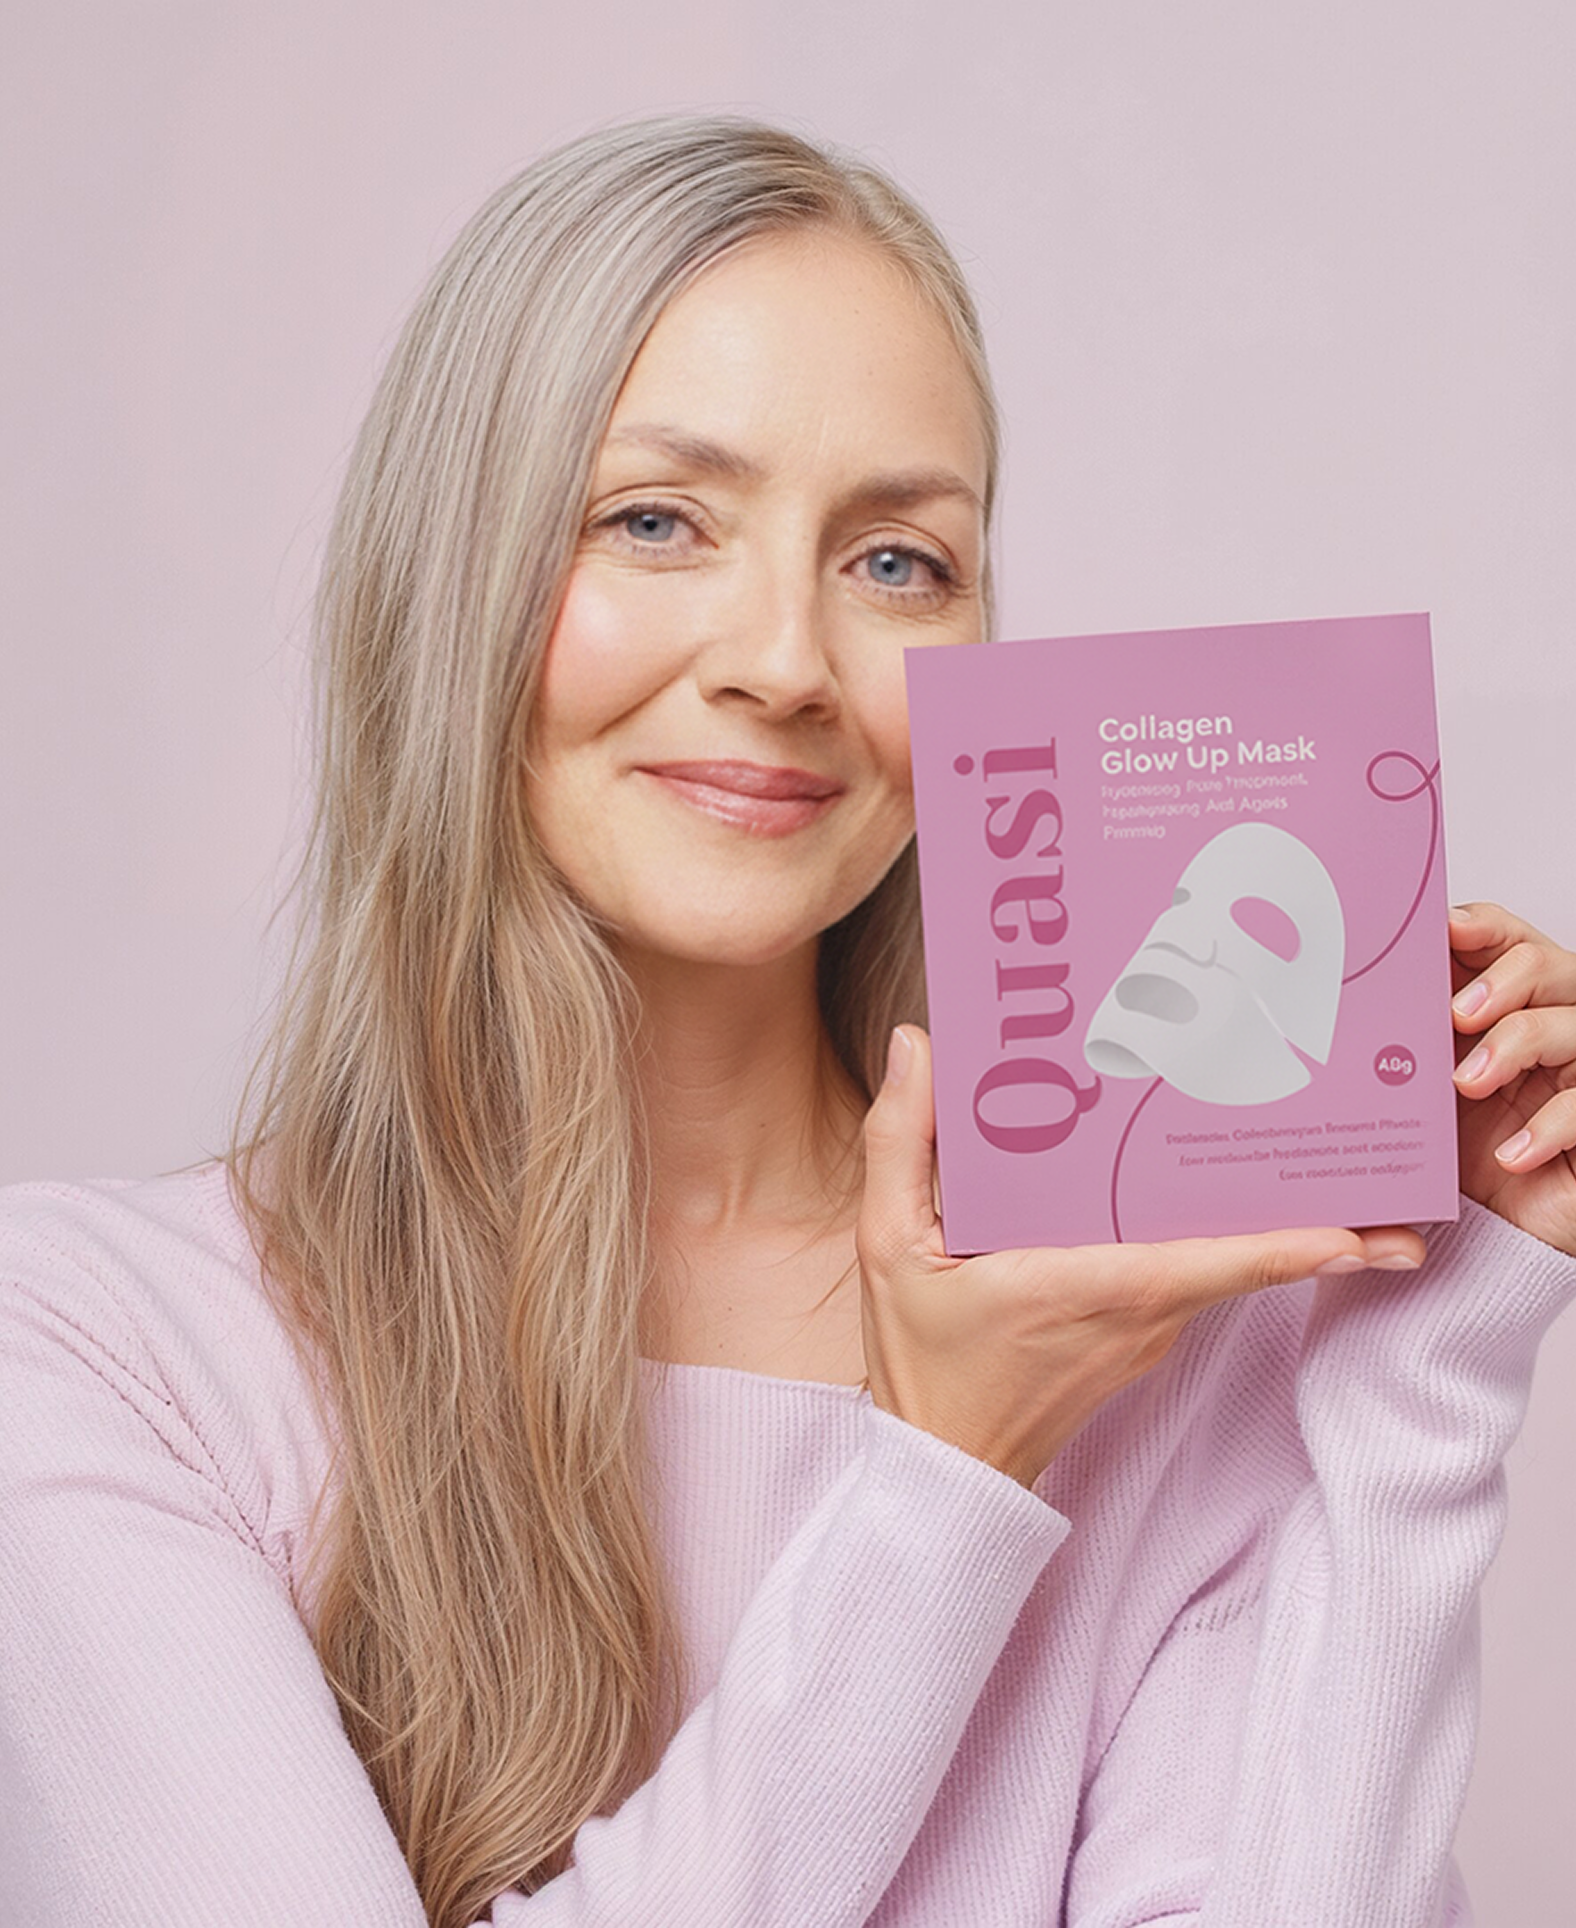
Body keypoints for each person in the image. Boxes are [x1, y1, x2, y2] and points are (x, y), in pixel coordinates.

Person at [1, 112, 1573, 1928]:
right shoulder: (108, 1351)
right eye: (656, 521)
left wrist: (1420, 1367)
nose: (784, 662)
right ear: (453, 579)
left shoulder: (1153, 1333)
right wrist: (942, 1485)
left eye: (898, 560)